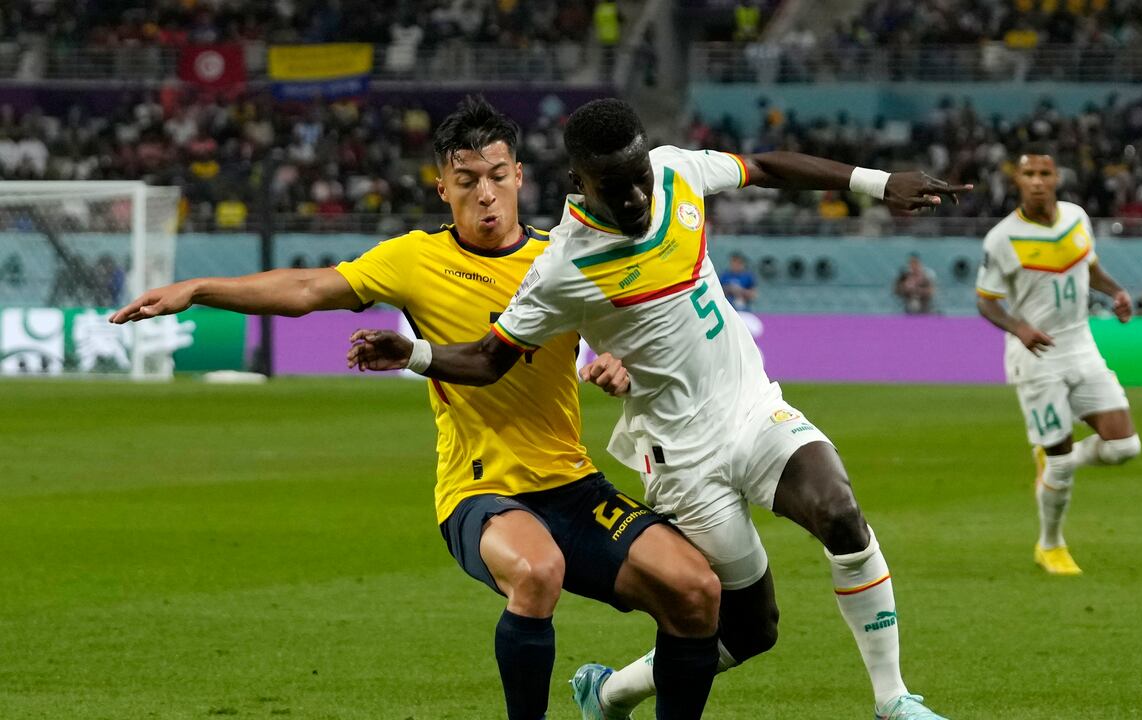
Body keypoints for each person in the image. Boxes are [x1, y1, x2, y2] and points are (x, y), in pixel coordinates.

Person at [346, 98, 970, 720]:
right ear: (578, 184)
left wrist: (879, 182)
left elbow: (764, 167)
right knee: (750, 628)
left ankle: (893, 700)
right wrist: (418, 353)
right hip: (679, 457)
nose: (637, 198)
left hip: (752, 410)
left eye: (638, 175)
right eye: (614, 188)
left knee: (839, 511)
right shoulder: (560, 268)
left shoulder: (677, 171)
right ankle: (610, 693)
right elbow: (488, 361)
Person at [108, 97, 724, 720]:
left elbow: (630, 338)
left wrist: (619, 366)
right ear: (443, 190)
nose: (486, 194)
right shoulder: (414, 260)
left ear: (519, 178)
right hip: (481, 493)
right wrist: (197, 289)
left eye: (497, 176)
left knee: (696, 591)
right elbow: (305, 288)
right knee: (537, 572)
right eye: (467, 182)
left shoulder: (565, 257)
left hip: (571, 484)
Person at [975, 146, 1142, 577]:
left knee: (1125, 446)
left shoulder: (1076, 217)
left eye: (1044, 173)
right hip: (1038, 356)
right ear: (1018, 181)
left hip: (1081, 344)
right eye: (1028, 173)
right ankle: (1051, 545)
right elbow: (986, 301)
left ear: (1055, 178)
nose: (1036, 180)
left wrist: (1116, 292)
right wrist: (1020, 328)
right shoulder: (1002, 238)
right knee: (1061, 460)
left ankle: (1053, 462)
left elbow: (1088, 266)